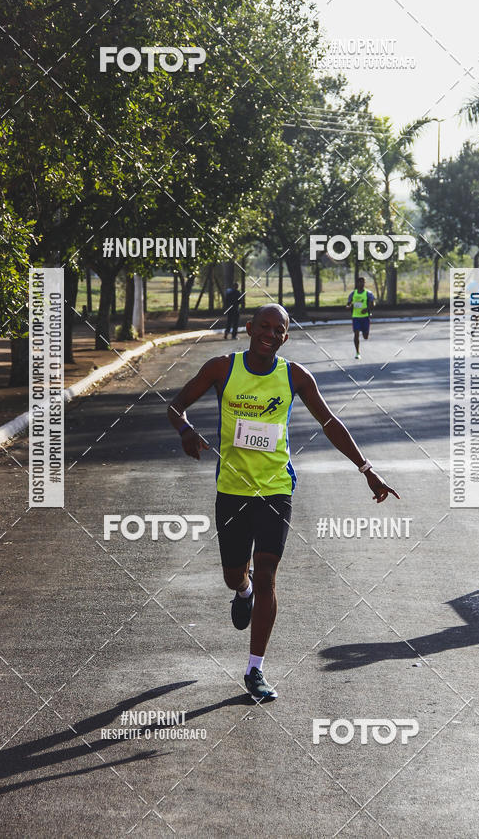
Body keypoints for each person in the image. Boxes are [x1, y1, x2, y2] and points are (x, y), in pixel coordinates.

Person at [167, 304, 399, 702]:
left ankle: (255, 669)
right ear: (249, 327)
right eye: (264, 327)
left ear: (286, 337)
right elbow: (175, 406)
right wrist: (186, 430)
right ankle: (243, 592)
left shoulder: (294, 376)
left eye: (279, 330)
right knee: (234, 573)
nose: (271, 334)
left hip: (276, 488)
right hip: (232, 491)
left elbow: (330, 422)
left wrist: (366, 468)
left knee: (269, 573)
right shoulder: (221, 368)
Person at [346, 277, 374, 360]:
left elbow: (373, 304)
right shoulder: (353, 294)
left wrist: (366, 309)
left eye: (363, 282)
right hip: (356, 317)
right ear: (357, 283)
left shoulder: (368, 293)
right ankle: (357, 353)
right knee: (356, 334)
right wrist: (348, 306)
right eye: (360, 282)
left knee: (365, 337)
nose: (361, 284)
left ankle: (365, 332)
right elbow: (348, 304)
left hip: (365, 317)